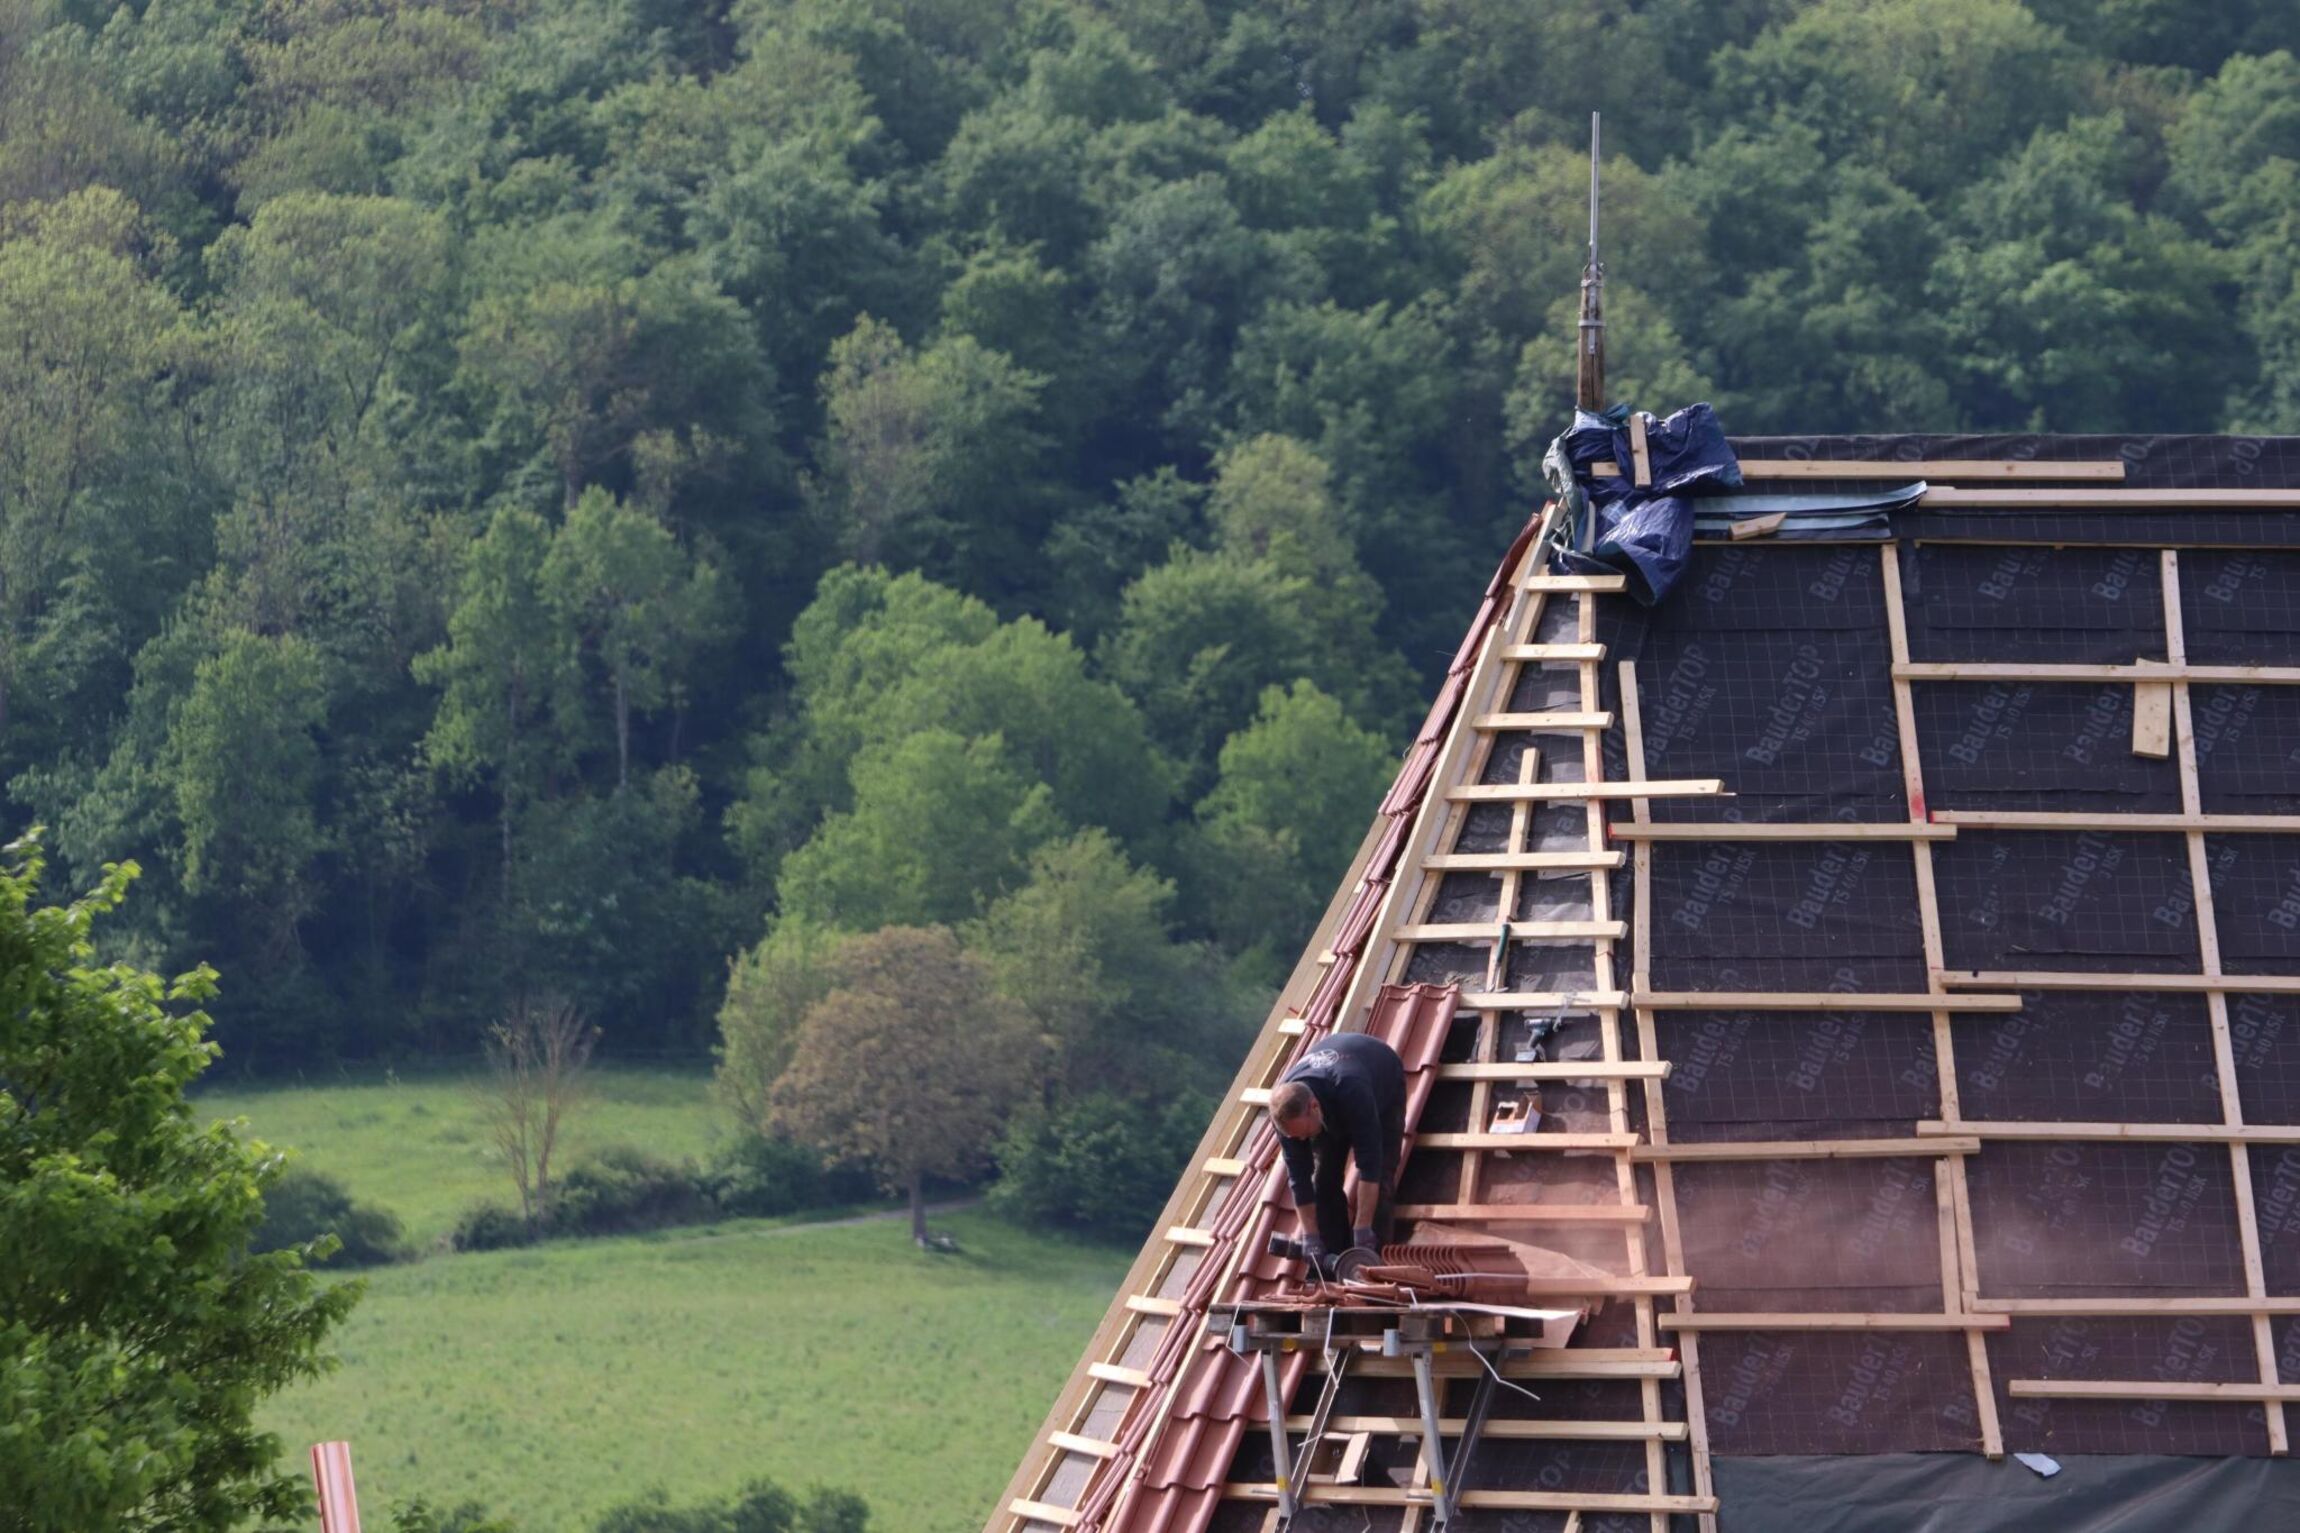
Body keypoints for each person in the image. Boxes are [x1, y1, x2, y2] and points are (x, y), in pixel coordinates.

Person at [1268, 1031, 1405, 1273]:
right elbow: (1299, 1179)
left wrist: (1363, 1228)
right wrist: (1310, 1236)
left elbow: (1370, 1166)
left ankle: (1372, 1263)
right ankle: (1333, 1265)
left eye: (1304, 1133)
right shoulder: (1285, 1115)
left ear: (1314, 1107)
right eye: (1295, 1136)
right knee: (1323, 1182)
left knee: (1382, 1176)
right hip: (1329, 1102)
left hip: (1380, 1080)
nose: (1301, 1140)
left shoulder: (1352, 1089)